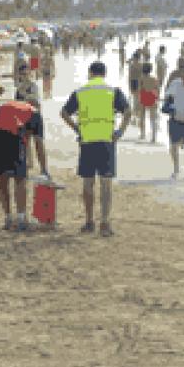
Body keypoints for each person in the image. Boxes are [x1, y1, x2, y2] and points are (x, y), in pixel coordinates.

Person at [60, 62, 131, 237]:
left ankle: (89, 221)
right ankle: (105, 223)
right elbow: (128, 111)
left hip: (87, 140)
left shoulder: (81, 91)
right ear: (105, 73)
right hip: (106, 139)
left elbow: (64, 113)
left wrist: (77, 128)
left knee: (88, 183)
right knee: (106, 184)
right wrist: (120, 131)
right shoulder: (113, 91)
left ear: (90, 73)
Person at [0, 101, 50, 231]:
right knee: (19, 178)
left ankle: (8, 218)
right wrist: (44, 169)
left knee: (2, 178)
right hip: (13, 134)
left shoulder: (7, 106)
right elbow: (39, 144)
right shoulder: (35, 114)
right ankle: (21, 219)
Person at [138, 63, 160, 143]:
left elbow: (140, 89)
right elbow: (157, 89)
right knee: (153, 118)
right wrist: (157, 98)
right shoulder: (154, 78)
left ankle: (142, 133)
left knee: (142, 116)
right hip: (152, 96)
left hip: (144, 95)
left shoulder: (141, 78)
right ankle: (154, 137)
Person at [128, 51, 142, 121]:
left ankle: (135, 114)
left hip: (134, 82)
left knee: (135, 98)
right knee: (137, 98)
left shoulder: (132, 65)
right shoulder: (140, 65)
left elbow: (130, 76)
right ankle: (136, 114)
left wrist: (129, 85)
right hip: (137, 81)